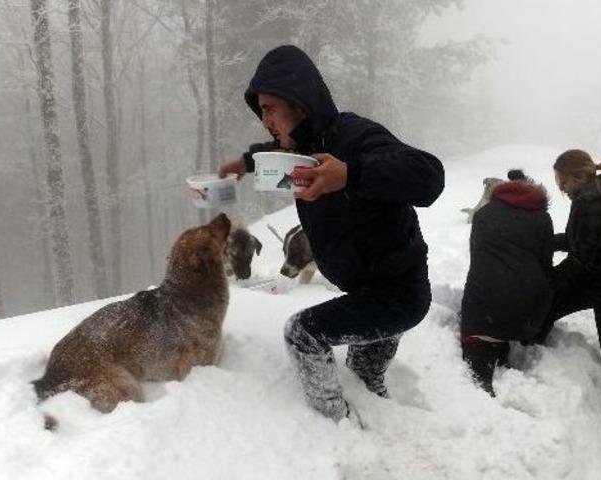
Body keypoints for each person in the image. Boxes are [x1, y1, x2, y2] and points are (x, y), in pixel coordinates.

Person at [219, 45, 445, 422]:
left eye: (270, 109)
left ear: (299, 104)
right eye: (261, 111)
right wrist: (244, 164)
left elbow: (429, 177)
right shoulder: (302, 150)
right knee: (363, 375)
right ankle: (383, 424)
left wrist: (351, 174)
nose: (264, 120)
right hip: (367, 290)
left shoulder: (356, 137)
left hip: (398, 294)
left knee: (303, 335)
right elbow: (274, 157)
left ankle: (334, 427)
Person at [533, 150, 601, 401]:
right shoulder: (589, 198)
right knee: (549, 306)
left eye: (562, 180)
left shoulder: (596, 203)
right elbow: (579, 241)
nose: (561, 187)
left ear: (575, 176)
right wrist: (545, 242)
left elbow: (582, 254)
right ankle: (531, 355)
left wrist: (553, 280)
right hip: (595, 280)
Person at [460, 169, 554, 396]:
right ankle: (505, 344)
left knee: (479, 350)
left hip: (485, 307)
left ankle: (482, 381)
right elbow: (546, 264)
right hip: (529, 311)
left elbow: (478, 261)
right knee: (508, 313)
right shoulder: (542, 217)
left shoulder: (484, 214)